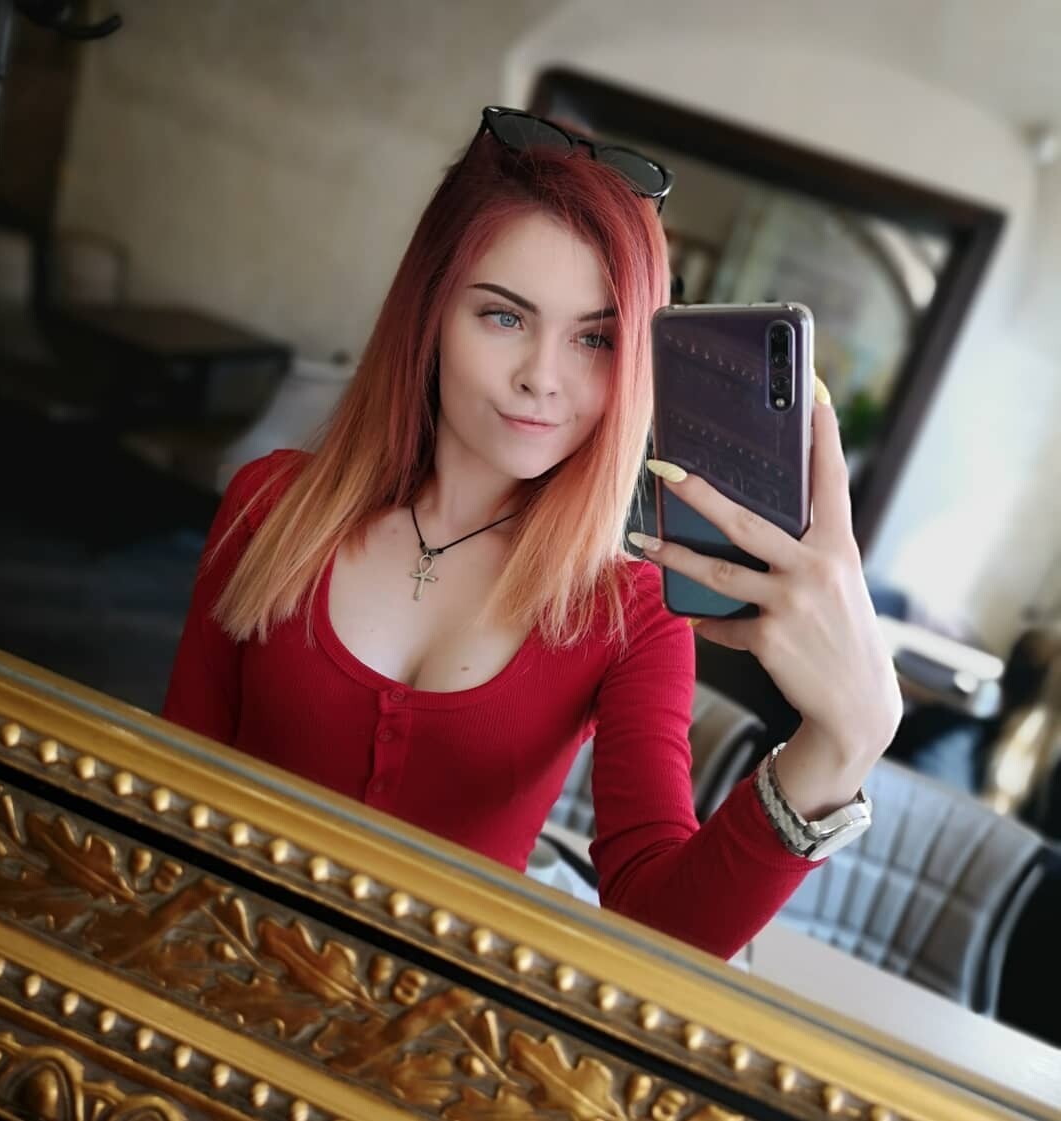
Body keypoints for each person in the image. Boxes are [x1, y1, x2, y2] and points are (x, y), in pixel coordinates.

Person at [163, 107, 902, 959]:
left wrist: (843, 742)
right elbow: (166, 787)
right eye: (505, 317)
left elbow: (657, 929)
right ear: (429, 312)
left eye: (595, 338)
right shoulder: (268, 506)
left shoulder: (629, 613)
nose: (543, 379)